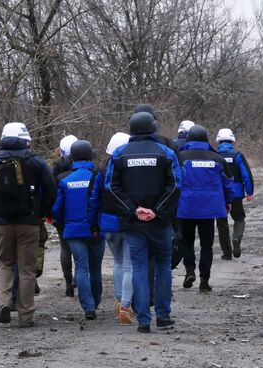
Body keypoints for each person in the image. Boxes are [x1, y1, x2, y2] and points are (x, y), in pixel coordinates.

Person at [106, 112, 181, 333]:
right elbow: (176, 185)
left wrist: (133, 209)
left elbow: (111, 186)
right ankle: (164, 316)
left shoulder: (119, 154)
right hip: (160, 223)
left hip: (132, 223)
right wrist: (156, 211)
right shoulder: (166, 153)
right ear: (153, 128)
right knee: (163, 266)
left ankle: (144, 321)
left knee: (138, 268)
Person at [0, 122, 56, 327]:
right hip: (28, 223)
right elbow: (51, 190)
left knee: (4, 263)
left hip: (1, 223)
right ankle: (25, 315)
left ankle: (4, 302)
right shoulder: (35, 160)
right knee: (27, 269)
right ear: (25, 139)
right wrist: (40, 213)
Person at [178, 125, 234, 292]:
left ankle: (189, 270)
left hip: (186, 207)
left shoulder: (180, 157)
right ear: (206, 139)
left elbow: (174, 180)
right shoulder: (216, 158)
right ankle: (204, 280)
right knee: (206, 246)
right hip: (209, 209)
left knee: (186, 241)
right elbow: (228, 182)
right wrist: (228, 201)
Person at [52, 140, 104, 320]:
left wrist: (59, 221)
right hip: (95, 230)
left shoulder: (64, 180)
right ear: (91, 155)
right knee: (95, 268)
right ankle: (96, 302)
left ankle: (88, 307)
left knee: (81, 267)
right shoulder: (99, 176)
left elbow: (57, 208)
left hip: (73, 231)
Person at [89, 132, 135, 325]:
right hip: (129, 222)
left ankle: (118, 301)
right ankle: (125, 306)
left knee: (118, 263)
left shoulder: (101, 171)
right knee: (129, 265)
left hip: (107, 224)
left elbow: (93, 199)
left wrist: (94, 224)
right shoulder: (132, 172)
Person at [215, 128, 254, 260]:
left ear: (218, 140)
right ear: (232, 140)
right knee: (239, 218)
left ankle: (227, 253)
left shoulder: (214, 154)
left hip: (219, 194)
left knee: (221, 222)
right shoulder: (237, 154)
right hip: (235, 193)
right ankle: (236, 238)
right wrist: (249, 192)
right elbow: (246, 175)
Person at [53, 134, 78, 297]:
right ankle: (78, 277)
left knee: (65, 247)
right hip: (79, 213)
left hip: (60, 215)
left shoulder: (54, 169)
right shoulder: (83, 167)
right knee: (80, 246)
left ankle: (68, 283)